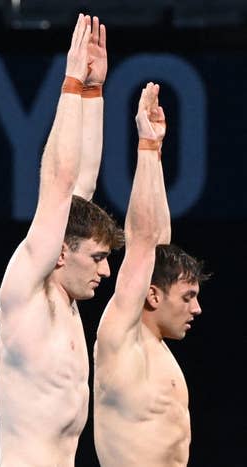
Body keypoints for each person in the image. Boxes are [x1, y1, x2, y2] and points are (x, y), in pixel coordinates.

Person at [0, 14, 123, 466]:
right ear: (63, 251)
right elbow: (61, 181)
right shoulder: (27, 291)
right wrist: (70, 81)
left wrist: (94, 92)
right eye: (99, 258)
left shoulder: (65, 297)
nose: (107, 271)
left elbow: (82, 182)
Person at [93, 83, 210, 467]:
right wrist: (144, 147)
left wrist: (157, 151)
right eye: (187, 297)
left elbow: (157, 241)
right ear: (154, 295)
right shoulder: (122, 340)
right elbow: (143, 241)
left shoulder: (158, 351)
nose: (197, 310)